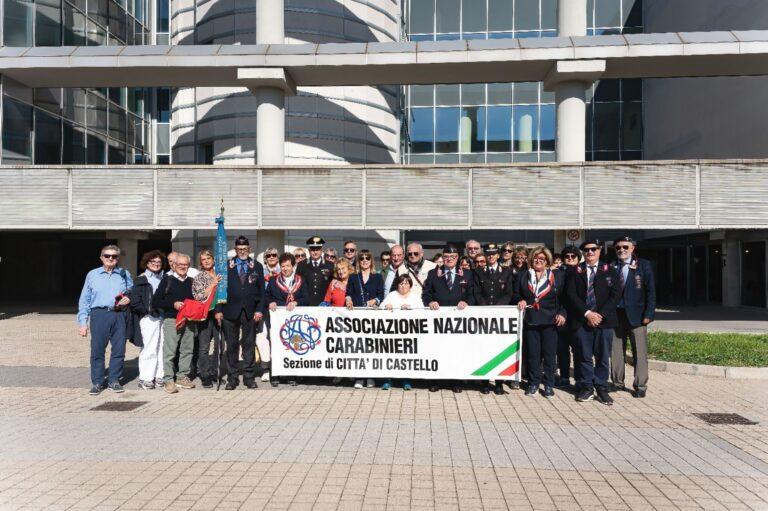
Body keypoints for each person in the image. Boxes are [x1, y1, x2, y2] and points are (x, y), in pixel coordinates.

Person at [566, 239, 621, 405]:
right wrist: (588, 314)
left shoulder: (610, 270)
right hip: (582, 320)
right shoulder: (576, 271)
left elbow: (616, 295)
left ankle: (602, 387)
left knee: (603, 356)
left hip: (604, 321)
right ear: (583, 252)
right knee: (584, 356)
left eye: (593, 249)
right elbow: (571, 295)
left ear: (599, 251)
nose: (590, 252)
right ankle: (587, 387)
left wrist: (599, 315)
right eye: (587, 250)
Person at [78, 245, 133, 395]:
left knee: (119, 349)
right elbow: (85, 300)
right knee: (97, 350)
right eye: (107, 255)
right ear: (101, 257)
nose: (110, 258)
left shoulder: (124, 274)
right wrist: (83, 322)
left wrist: (129, 298)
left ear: (117, 259)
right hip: (99, 314)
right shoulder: (93, 275)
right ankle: (97, 382)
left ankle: (114, 380)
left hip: (118, 314)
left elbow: (131, 291)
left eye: (114, 256)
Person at [513, 247, 566, 399]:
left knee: (549, 355)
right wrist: (520, 300)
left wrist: (562, 313)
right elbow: (515, 293)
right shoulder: (524, 275)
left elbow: (564, 299)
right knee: (533, 355)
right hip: (531, 320)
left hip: (550, 321)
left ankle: (549, 384)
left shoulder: (556, 276)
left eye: (542, 259)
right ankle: (533, 383)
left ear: (547, 261)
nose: (538, 261)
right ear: (531, 260)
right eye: (536, 258)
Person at [422, 244, 474, 393]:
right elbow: (426, 294)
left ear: (457, 258)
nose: (449, 259)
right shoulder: (433, 273)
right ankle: (436, 380)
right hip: (438, 321)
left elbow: (472, 294)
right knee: (437, 350)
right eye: (446, 257)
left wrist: (467, 302)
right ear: (442, 258)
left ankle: (455, 381)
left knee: (456, 351)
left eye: (452, 257)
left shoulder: (467, 274)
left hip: (458, 321)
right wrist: (430, 302)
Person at [610, 236, 656, 398]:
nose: (621, 250)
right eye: (618, 247)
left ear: (632, 248)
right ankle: (617, 382)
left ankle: (640, 385)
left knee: (640, 352)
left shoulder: (644, 265)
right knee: (616, 351)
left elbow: (650, 291)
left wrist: (649, 314)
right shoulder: (611, 266)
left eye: (625, 247)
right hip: (616, 315)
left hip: (637, 316)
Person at [216, 236, 264, 390]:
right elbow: (219, 290)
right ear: (235, 250)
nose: (242, 251)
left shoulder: (256, 266)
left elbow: (262, 292)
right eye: (239, 249)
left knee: (249, 345)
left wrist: (259, 309)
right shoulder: (226, 266)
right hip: (230, 311)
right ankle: (232, 378)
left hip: (250, 311)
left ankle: (249, 377)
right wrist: (218, 310)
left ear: (249, 249)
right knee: (232, 346)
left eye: (245, 249)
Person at [472, 243, 514, 395]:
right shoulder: (478, 272)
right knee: (484, 349)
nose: (490, 256)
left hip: (499, 316)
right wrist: (485, 308)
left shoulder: (507, 272)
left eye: (493, 253)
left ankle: (498, 383)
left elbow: (508, 293)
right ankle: (484, 382)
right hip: (484, 316)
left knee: (499, 349)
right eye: (488, 253)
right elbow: (477, 292)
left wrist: (497, 309)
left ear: (498, 255)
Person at [152, 253, 195, 394]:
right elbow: (156, 301)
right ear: (174, 265)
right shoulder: (167, 280)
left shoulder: (192, 281)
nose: (183, 267)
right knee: (170, 352)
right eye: (180, 264)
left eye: (186, 264)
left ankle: (182, 377)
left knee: (187, 350)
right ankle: (168, 380)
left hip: (189, 321)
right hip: (172, 319)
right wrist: (173, 304)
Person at [129, 250, 165, 390]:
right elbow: (135, 301)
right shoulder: (141, 279)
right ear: (147, 263)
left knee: (162, 347)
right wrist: (146, 312)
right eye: (152, 262)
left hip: (163, 317)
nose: (156, 264)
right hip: (149, 318)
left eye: (158, 262)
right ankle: (146, 378)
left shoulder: (164, 278)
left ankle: (159, 376)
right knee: (149, 348)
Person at [379, 274, 421, 391]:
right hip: (392, 334)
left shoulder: (415, 297)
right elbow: (382, 306)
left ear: (410, 285)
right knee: (390, 356)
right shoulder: (391, 295)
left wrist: (411, 307)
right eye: (401, 283)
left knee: (406, 357)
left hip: (409, 334)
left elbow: (423, 311)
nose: (403, 286)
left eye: (406, 283)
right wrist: (386, 306)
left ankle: (406, 380)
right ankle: (388, 380)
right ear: (397, 284)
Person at [191, 250, 223, 388]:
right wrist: (212, 284)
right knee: (204, 347)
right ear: (201, 263)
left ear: (213, 259)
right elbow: (198, 296)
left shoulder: (220, 274)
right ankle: (205, 374)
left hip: (220, 313)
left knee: (219, 346)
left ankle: (215, 372)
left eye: (208, 258)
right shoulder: (199, 277)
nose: (206, 261)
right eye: (203, 259)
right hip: (205, 315)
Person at [556, 245, 581, 388]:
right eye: (567, 257)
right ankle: (564, 377)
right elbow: (557, 297)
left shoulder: (582, 272)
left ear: (578, 258)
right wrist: (561, 312)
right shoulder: (558, 273)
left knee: (579, 350)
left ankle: (579, 379)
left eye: (573, 256)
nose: (570, 259)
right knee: (562, 350)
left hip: (578, 317)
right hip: (561, 318)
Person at [257, 247, 280, 384]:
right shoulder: (261, 271)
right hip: (263, 308)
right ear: (265, 258)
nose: (271, 257)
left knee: (276, 338)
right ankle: (265, 368)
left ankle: (277, 368)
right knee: (262, 337)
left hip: (278, 309)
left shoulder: (282, 270)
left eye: (274, 255)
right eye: (269, 255)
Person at [296, 236, 334, 306]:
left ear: (322, 250)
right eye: (313, 249)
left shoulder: (330, 265)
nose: (315, 252)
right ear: (309, 250)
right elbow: (297, 285)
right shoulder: (301, 265)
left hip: (324, 304)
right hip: (306, 304)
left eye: (318, 249)